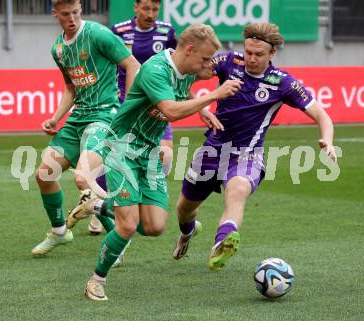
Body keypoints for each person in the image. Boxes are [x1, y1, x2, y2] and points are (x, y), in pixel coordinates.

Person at [70, 24, 242, 301]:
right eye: (205, 59)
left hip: (149, 153)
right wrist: (213, 96)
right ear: (189, 50)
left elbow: (183, 90)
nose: (208, 66)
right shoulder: (155, 70)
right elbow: (170, 110)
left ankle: (99, 204)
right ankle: (96, 280)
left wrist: (203, 109)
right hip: (122, 147)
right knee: (127, 225)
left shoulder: (185, 70)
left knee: (155, 227)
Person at [172, 22, 337, 272]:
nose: (251, 58)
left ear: (272, 54)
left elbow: (321, 114)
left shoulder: (283, 83)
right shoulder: (228, 61)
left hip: (247, 155)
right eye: (248, 52)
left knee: (237, 191)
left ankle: (222, 243)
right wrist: (202, 106)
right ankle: (188, 232)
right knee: (184, 210)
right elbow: (186, 75)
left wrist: (328, 140)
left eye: (258, 54)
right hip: (212, 151)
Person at [30, 0, 140, 257]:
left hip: (103, 116)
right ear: (55, 13)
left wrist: (129, 108)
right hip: (77, 118)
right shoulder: (58, 48)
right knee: (44, 174)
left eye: (76, 13)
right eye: (66, 14)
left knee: (83, 178)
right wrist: (56, 118)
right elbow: (71, 88)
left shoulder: (98, 34)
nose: (72, 19)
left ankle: (121, 231)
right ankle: (60, 232)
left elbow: (133, 65)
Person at [85, 0, 178, 235]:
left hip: (157, 104)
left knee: (164, 155)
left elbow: (179, 67)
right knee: (119, 156)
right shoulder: (119, 30)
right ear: (136, 7)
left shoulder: (167, 32)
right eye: (145, 8)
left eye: (155, 9)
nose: (150, 14)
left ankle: (122, 202)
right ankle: (105, 201)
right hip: (127, 106)